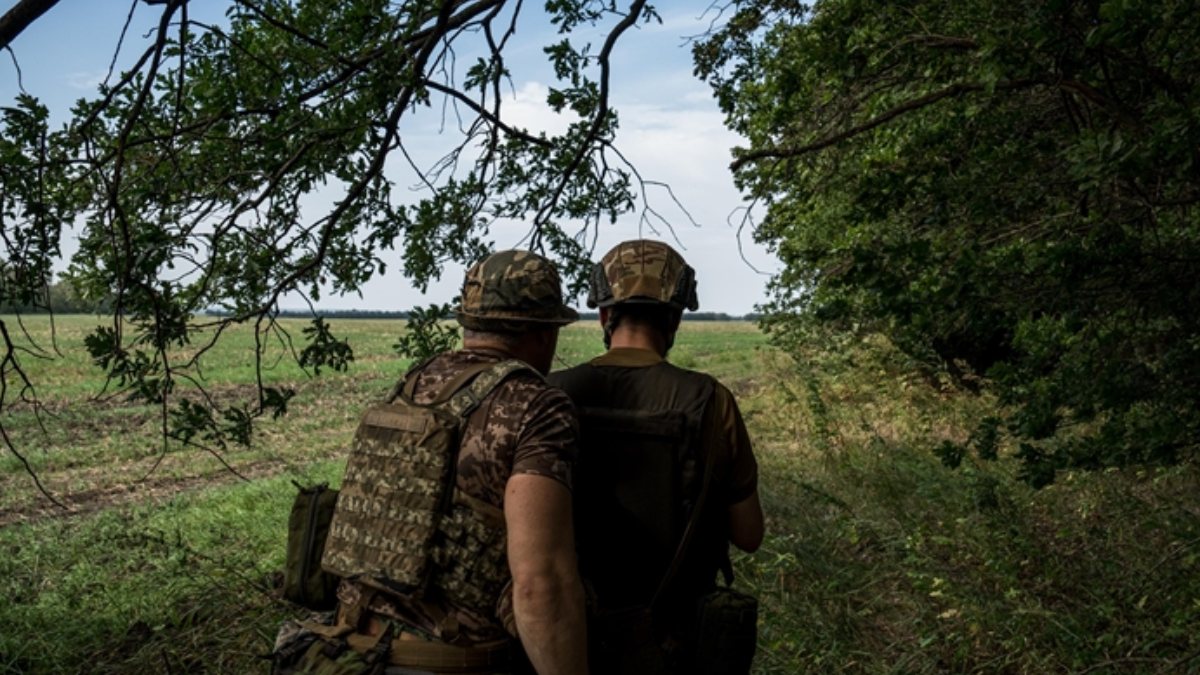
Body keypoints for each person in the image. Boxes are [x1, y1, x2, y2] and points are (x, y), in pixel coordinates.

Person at [281, 250, 589, 675]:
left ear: (469, 323)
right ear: (544, 332)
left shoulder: (413, 383)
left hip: (347, 649)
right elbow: (541, 584)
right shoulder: (537, 406)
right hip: (446, 661)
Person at [548, 239, 764, 675]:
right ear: (676, 317)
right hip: (674, 641)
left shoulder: (551, 393)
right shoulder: (711, 400)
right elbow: (749, 533)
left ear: (605, 315)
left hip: (566, 637)